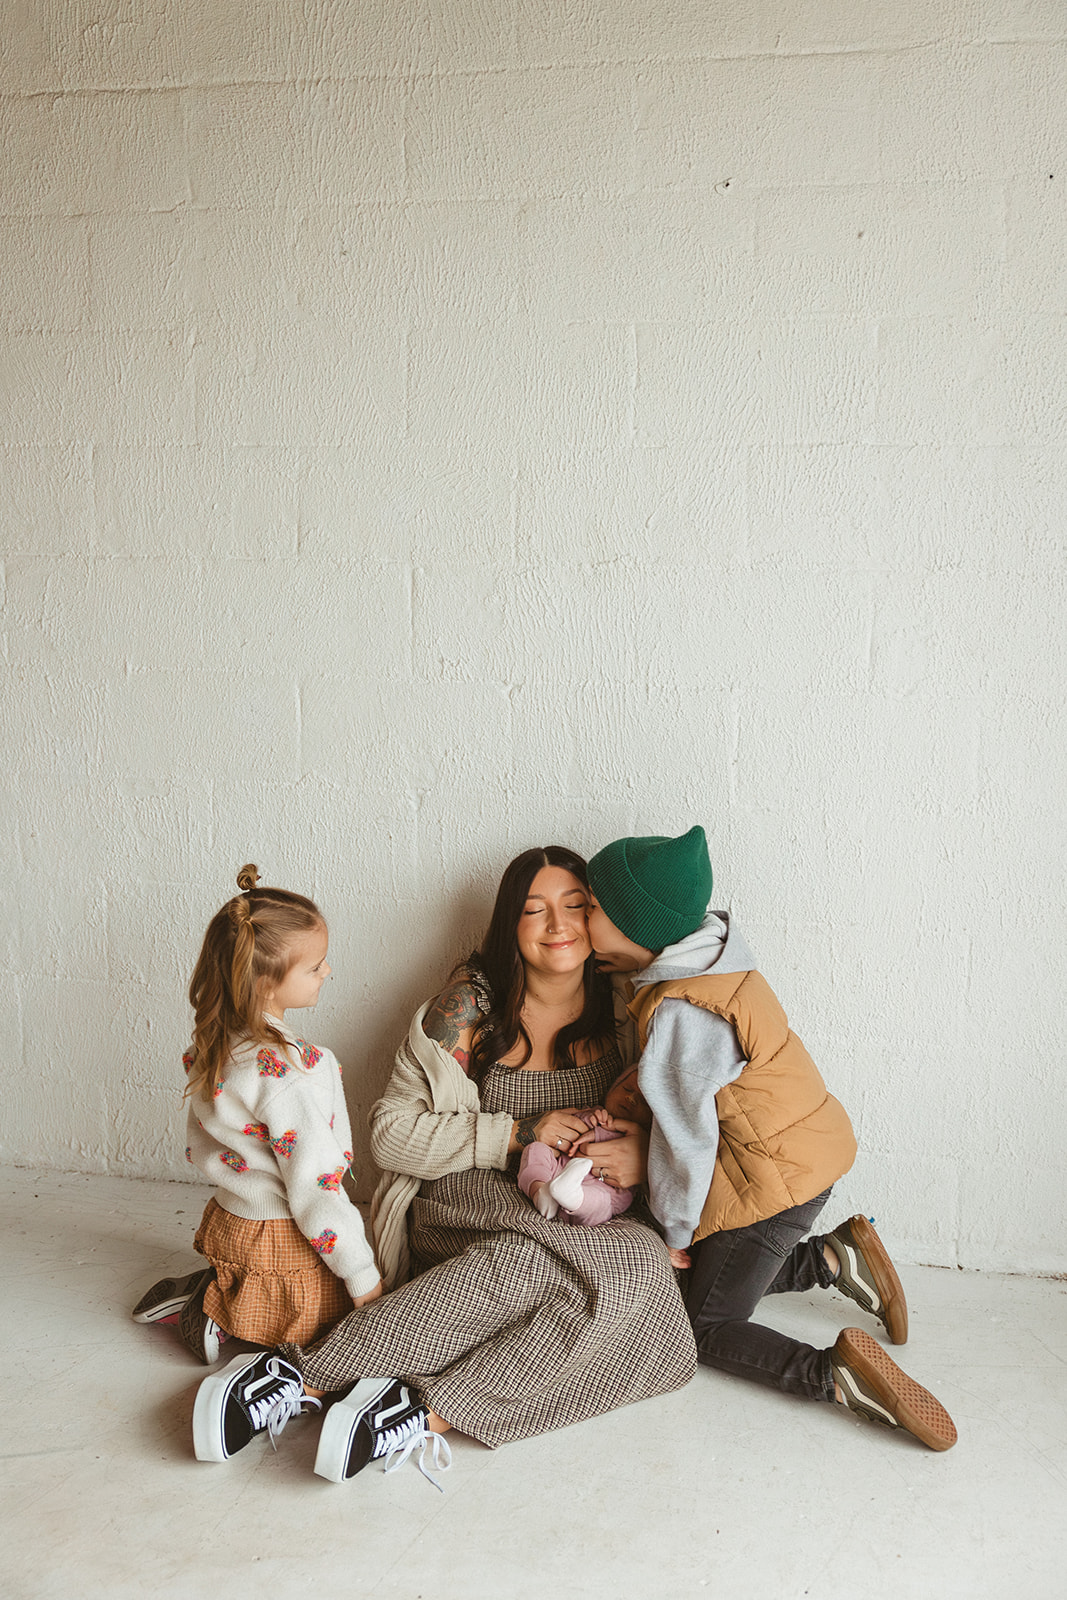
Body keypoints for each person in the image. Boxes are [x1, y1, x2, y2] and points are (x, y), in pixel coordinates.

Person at [189, 846, 697, 1483]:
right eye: (534, 910)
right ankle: (304, 1376)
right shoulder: (466, 1009)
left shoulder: (629, 1011)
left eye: (575, 906)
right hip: (466, 1199)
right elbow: (390, 1136)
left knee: (644, 1276)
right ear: (509, 923)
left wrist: (642, 1156)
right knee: (545, 1264)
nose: (558, 925)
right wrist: (519, 1133)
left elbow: (683, 1119)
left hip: (577, 1214)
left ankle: (421, 1410)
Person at [584, 825, 958, 1452]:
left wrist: (673, 1233)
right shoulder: (716, 968)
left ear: (635, 924)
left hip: (774, 1182)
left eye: (592, 907)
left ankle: (833, 1376)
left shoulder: (681, 1011)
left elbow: (686, 1141)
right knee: (712, 1276)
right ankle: (837, 1259)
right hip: (802, 1155)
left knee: (701, 1319)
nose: (580, 918)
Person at [132, 865, 382, 1369]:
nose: (327, 972)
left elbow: (205, 1141)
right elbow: (315, 1187)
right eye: (315, 966)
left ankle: (218, 1288)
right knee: (332, 1326)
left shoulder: (216, 1042)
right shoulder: (291, 1074)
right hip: (277, 1237)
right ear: (267, 984)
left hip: (231, 1219)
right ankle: (213, 1309)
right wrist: (364, 1279)